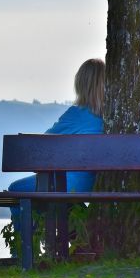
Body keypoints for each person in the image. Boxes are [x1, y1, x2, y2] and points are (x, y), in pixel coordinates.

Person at [8, 58, 105, 230]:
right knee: (63, 201)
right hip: (96, 183)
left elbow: (42, 146)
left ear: (81, 84)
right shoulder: (111, 116)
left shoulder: (77, 114)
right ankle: (82, 241)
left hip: (73, 184)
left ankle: (24, 252)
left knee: (15, 190)